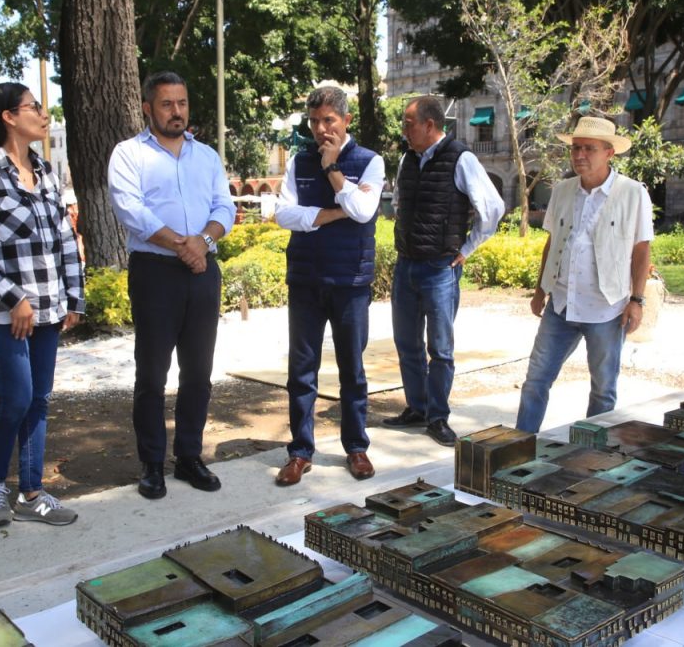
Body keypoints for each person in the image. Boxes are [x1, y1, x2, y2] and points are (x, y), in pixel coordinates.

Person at [0, 82, 84, 526]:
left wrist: (74, 296)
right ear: (9, 116)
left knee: (39, 400)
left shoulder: (46, 173)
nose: (44, 115)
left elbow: (65, 239)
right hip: (5, 314)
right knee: (16, 399)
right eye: (35, 107)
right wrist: (13, 298)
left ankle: (31, 493)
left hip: (48, 310)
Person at [108, 71, 235, 499]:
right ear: (148, 108)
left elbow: (224, 207)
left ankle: (189, 457)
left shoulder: (208, 157)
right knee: (152, 373)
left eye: (181, 103)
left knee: (198, 372)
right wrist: (183, 244)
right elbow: (132, 211)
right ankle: (151, 463)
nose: (176, 111)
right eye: (167, 104)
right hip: (155, 272)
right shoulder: (128, 155)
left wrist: (204, 241)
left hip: (203, 273)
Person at [273, 86, 385, 486]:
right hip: (305, 280)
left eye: (329, 121)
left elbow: (364, 209)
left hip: (350, 282)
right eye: (315, 122)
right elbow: (283, 214)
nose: (321, 129)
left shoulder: (370, 161)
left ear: (346, 121)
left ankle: (356, 447)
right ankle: (300, 452)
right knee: (301, 371)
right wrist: (333, 214)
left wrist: (334, 168)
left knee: (351, 370)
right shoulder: (298, 162)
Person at [515, 116, 653, 434]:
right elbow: (552, 242)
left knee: (603, 389)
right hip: (562, 303)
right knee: (536, 379)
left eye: (589, 149)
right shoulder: (563, 191)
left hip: (606, 307)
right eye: (576, 148)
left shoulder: (632, 194)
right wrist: (540, 290)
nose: (580, 155)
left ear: (609, 153)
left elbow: (641, 249)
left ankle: (589, 456)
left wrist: (637, 300)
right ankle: (519, 445)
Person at [383, 95, 504, 446]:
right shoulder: (407, 159)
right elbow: (399, 202)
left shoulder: (461, 158)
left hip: (439, 268)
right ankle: (417, 408)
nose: (404, 131)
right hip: (406, 264)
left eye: (409, 124)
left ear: (429, 125)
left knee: (440, 348)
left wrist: (465, 250)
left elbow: (493, 208)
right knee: (406, 343)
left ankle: (438, 416)